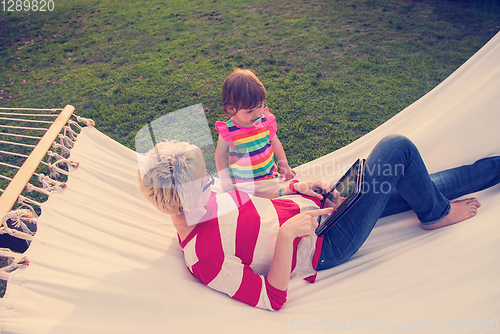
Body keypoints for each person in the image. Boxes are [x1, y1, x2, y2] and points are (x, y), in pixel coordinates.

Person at [138, 134, 500, 311]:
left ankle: (478, 178)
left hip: (321, 209)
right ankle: (436, 215)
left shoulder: (196, 200)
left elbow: (257, 202)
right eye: (202, 182)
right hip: (328, 242)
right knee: (397, 149)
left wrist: (297, 187)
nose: (210, 182)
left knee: (416, 184)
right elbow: (272, 297)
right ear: (179, 202)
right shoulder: (205, 257)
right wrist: (286, 238)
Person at [215, 68, 296, 192]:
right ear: (231, 109)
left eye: (260, 106)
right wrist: (224, 178)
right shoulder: (228, 131)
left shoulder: (265, 121)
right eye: (249, 111)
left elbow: (276, 144)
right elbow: (220, 155)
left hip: (270, 179)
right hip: (243, 186)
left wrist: (284, 165)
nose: (257, 114)